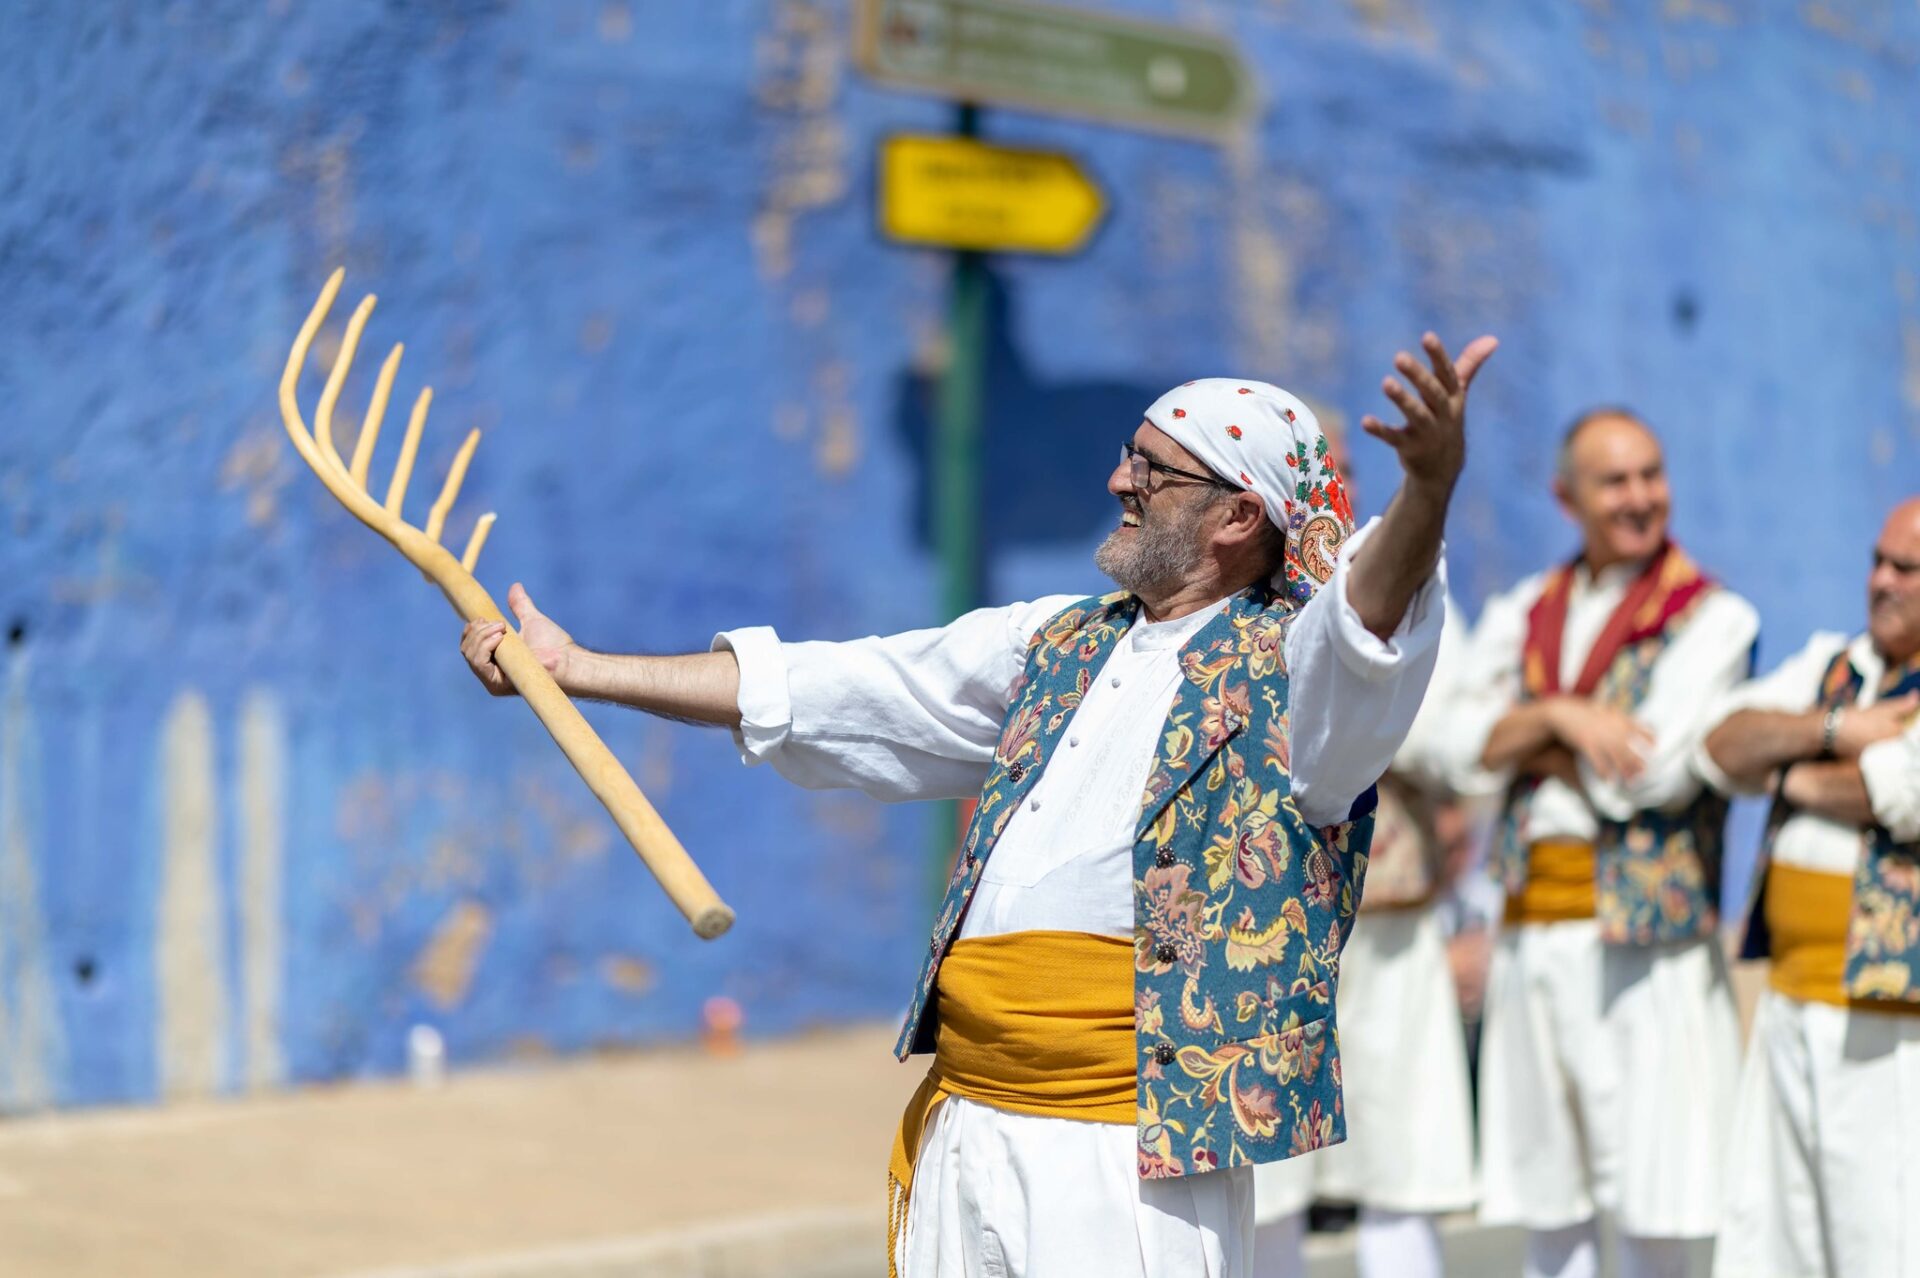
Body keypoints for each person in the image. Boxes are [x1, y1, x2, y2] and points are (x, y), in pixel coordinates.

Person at [459, 334, 1496, 1278]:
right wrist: (582, 669)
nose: (1118, 482)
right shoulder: (1056, 642)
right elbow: (833, 688)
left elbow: (1369, 621)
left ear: (1237, 517)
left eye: (1153, 470)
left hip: (1127, 1159)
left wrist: (1429, 488)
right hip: (969, 1122)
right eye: (1129, 457)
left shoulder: (1299, 678)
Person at [1444, 407, 1756, 1278]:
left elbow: (1645, 775)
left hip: (1645, 949)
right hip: (1530, 937)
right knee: (1549, 1203)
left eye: (1651, 475)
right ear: (1566, 498)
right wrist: (1563, 717)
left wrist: (1517, 740)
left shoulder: (1713, 618)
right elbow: (1448, 749)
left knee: (1657, 1202)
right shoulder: (1526, 611)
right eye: (1616, 481)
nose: (1641, 497)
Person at [1251, 451, 1480, 1278]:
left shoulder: (1411, 589)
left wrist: (1370, 705)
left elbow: (1463, 738)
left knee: (1401, 1156)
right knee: (1263, 1166)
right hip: (1264, 931)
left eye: (1338, 473)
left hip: (1389, 921)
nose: (1326, 493)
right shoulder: (1233, 602)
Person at [1695, 497, 1920, 1278]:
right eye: (1878, 561)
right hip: (1789, 1001)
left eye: (1906, 568)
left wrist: (1787, 774)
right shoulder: (1834, 662)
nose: (1882, 580)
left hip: (1890, 1028)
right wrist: (1832, 730)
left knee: (1883, 1240)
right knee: (1778, 1241)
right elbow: (1721, 744)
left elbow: (1900, 791)